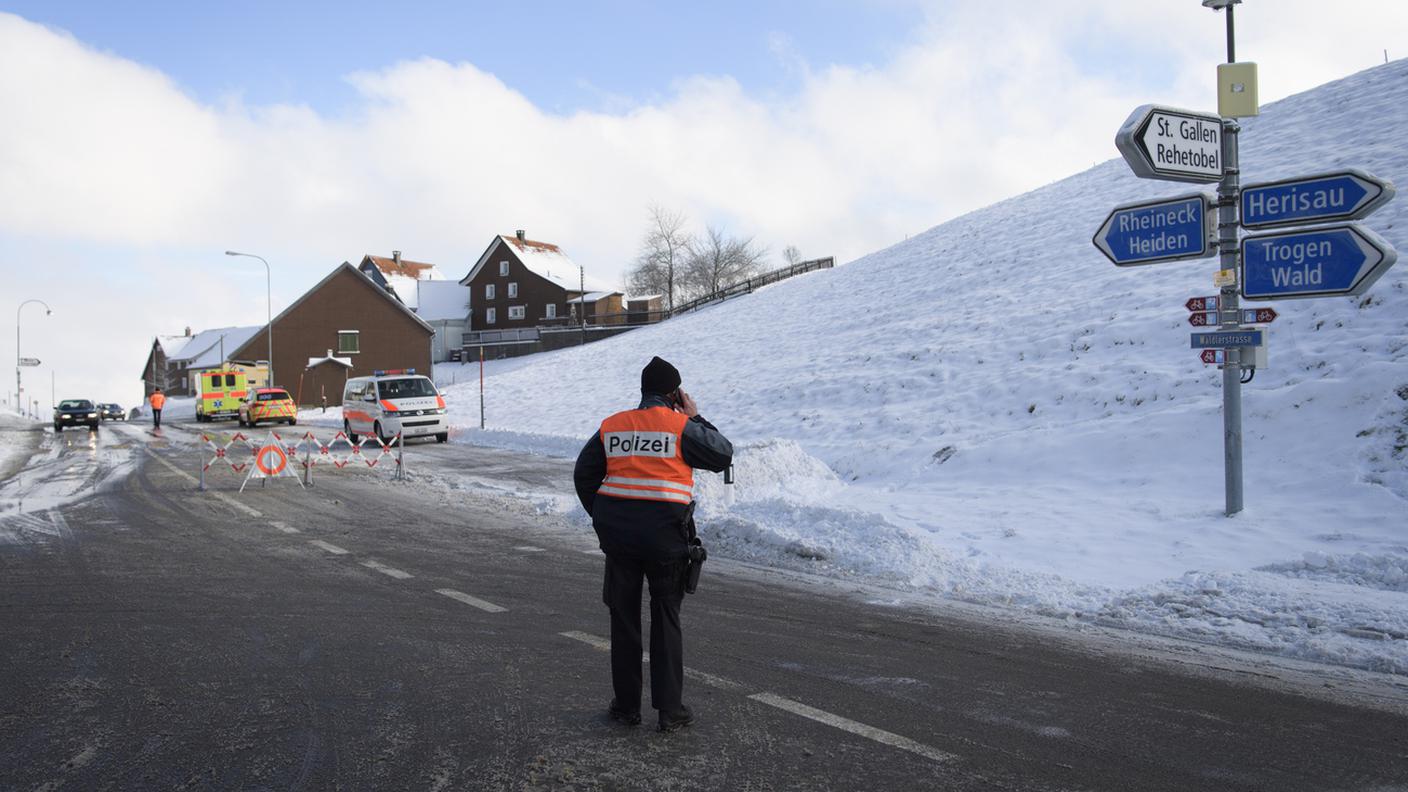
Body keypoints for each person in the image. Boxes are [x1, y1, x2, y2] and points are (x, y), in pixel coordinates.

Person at [574, 356, 733, 733]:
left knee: (624, 619)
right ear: (674, 393)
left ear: (644, 391)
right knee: (666, 619)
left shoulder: (614, 426)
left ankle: (627, 707)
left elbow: (584, 473)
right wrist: (694, 417)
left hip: (621, 541)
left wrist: (602, 516)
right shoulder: (680, 427)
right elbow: (723, 454)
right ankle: (669, 710)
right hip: (666, 540)